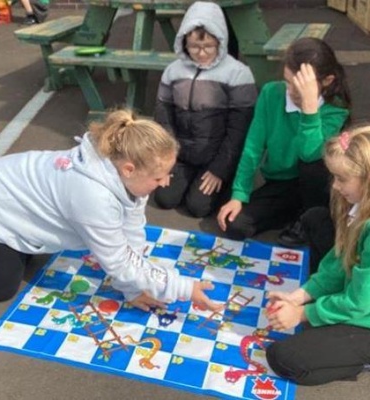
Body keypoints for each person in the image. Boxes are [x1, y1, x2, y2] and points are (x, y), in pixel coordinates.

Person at [0, 109, 221, 312]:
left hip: (10, 200)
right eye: (159, 177)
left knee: (26, 259)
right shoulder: (93, 196)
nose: (165, 183)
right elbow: (119, 261)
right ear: (129, 169)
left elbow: (130, 235)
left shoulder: (128, 175)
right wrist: (183, 288)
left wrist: (133, 290)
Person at [217, 37, 351, 244]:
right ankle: (294, 213)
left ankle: (311, 217)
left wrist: (309, 108)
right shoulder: (271, 93)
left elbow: (309, 153)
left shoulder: (336, 109)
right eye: (288, 82)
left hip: (319, 189)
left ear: (327, 81)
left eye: (301, 86)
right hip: (282, 183)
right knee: (236, 225)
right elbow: (253, 147)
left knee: (313, 163)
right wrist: (239, 194)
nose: (291, 91)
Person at [265, 126, 370, 385]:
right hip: (361, 295)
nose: (335, 185)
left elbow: (359, 303)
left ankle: (360, 355)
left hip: (364, 309)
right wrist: (300, 296)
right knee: (316, 219)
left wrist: (302, 314)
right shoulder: (360, 207)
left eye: (342, 178)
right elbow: (340, 260)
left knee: (284, 358)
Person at [153, 1, 257, 218]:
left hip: (216, 157)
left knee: (197, 207)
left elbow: (239, 130)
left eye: (208, 46)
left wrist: (220, 169)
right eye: (194, 47)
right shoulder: (172, 71)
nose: (201, 53)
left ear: (221, 41)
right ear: (183, 42)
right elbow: (163, 118)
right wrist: (166, 161)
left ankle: (226, 180)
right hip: (182, 156)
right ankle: (189, 177)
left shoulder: (238, 73)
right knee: (164, 199)